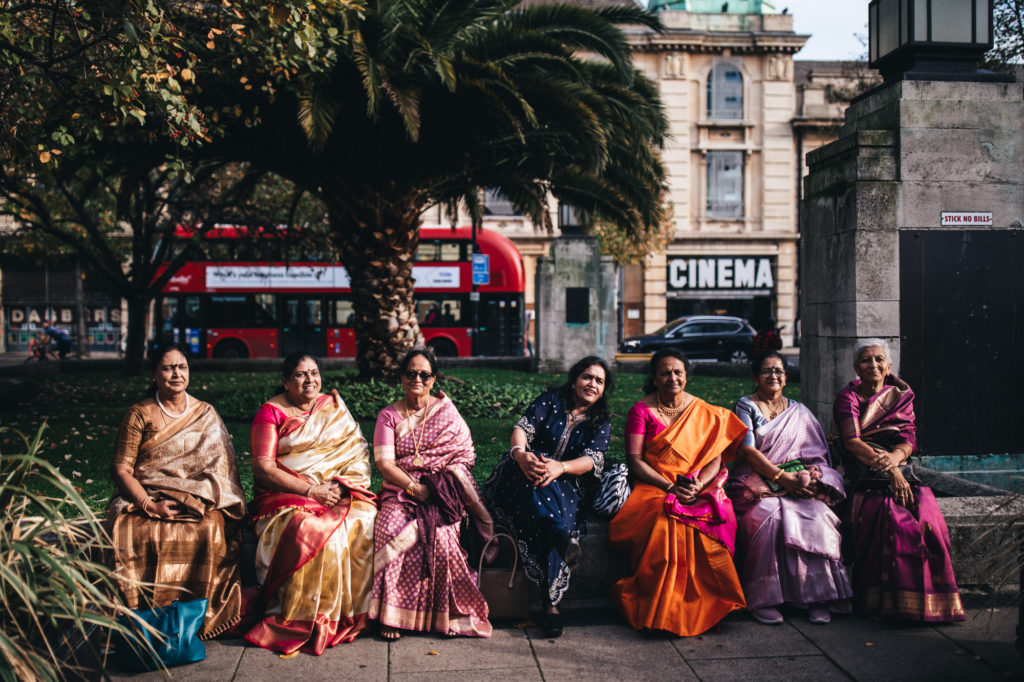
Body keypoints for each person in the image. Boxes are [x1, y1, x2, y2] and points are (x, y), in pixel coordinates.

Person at [107, 344, 246, 640]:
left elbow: (221, 468)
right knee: (138, 533)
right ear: (155, 374)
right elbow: (121, 469)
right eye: (168, 368)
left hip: (196, 500)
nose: (176, 374)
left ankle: (196, 621)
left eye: (182, 367)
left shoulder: (205, 413)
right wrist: (148, 504)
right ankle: (145, 620)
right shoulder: (139, 414)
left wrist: (196, 498)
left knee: (210, 529)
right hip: (146, 496)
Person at [245, 352, 378, 655]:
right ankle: (308, 617)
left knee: (366, 519)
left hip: (335, 491)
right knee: (315, 532)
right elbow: (263, 469)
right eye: (301, 374)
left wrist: (339, 486)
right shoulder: (270, 412)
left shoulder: (332, 407)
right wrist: (311, 490)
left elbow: (356, 453)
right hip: (285, 496)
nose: (310, 380)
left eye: (314, 373)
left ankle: (354, 614)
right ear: (286, 381)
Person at [609, 348, 748, 637]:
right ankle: (663, 610)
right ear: (655, 379)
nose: (672, 378)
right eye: (665, 373)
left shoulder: (702, 410)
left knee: (710, 518)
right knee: (666, 523)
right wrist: (669, 487)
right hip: (655, 486)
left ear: (686, 376)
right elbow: (635, 461)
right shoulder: (641, 411)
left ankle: (710, 605)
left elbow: (715, 457)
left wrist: (700, 485)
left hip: (697, 486)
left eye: (677, 372)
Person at [832, 339, 965, 622]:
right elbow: (852, 441)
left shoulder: (901, 395)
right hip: (865, 472)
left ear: (889, 366)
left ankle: (932, 601)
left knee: (926, 511)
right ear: (856, 367)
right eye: (866, 360)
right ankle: (890, 603)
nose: (873, 364)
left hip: (897, 466)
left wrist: (895, 459)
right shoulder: (848, 397)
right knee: (890, 515)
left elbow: (909, 438)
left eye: (879, 359)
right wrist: (890, 470)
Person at [484, 356, 612, 638]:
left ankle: (555, 542)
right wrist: (521, 455)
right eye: (587, 377)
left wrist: (561, 468)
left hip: (563, 482)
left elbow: (592, 460)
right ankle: (551, 604)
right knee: (543, 486)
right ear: (575, 378)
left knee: (556, 513)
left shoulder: (600, 422)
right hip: (521, 474)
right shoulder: (551, 400)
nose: (592, 384)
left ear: (604, 389)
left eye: (599, 381)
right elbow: (523, 429)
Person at [370, 349, 494, 640]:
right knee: (389, 529)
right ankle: (392, 616)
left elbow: (465, 454)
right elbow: (384, 464)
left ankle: (445, 615)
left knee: (442, 537)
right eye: (411, 373)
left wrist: (438, 485)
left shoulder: (445, 412)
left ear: (433, 379)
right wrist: (415, 488)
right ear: (401, 378)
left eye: (424, 375)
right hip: (400, 490)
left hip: (440, 493)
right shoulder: (388, 415)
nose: (417, 379)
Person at [727, 351, 853, 625]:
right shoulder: (747, 406)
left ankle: (819, 597)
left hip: (798, 482)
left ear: (785, 378)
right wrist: (782, 478)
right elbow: (747, 451)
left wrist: (812, 478)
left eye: (778, 371)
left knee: (819, 516)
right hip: (757, 483)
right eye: (766, 370)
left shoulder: (799, 412)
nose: (773, 375)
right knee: (770, 518)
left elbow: (816, 454)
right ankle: (765, 598)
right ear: (755, 377)